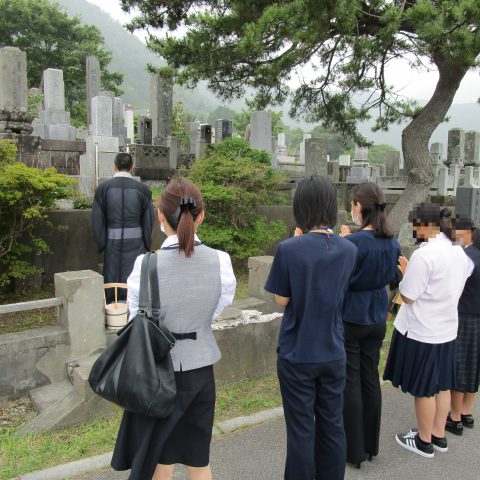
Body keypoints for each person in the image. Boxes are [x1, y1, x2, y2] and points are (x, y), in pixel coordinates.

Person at [111, 178, 236, 480]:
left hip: (157, 373)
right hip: (201, 370)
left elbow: (135, 320)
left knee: (159, 457)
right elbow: (217, 308)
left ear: (159, 214)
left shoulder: (145, 264)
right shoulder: (221, 261)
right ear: (201, 215)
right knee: (198, 458)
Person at [265, 176, 358, 480]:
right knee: (332, 424)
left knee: (302, 429)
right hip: (333, 349)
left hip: (297, 352)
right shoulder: (348, 249)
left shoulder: (290, 249)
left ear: (300, 207)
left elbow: (281, 299)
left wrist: (295, 242)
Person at [383, 203, 474, 458]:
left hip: (423, 330)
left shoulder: (425, 255)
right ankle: (438, 434)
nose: (413, 229)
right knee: (442, 384)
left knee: (423, 388)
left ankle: (423, 441)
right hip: (447, 328)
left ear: (424, 225)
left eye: (415, 225)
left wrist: (406, 272)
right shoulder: (458, 250)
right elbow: (462, 276)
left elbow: (409, 296)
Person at [340, 182, 401, 468]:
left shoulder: (353, 244)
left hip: (352, 316)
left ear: (359, 207)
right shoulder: (392, 241)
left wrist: (342, 242)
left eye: (353, 204)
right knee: (369, 380)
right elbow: (393, 278)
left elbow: (342, 279)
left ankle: (354, 449)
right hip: (377, 316)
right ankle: (370, 445)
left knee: (351, 382)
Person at [92, 152, 154, 302]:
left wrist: (102, 241)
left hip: (112, 240)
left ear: (115, 167)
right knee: (134, 272)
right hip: (136, 240)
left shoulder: (103, 188)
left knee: (112, 272)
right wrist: (147, 242)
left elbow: (97, 219)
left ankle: (113, 306)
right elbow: (149, 219)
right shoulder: (142, 190)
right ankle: (133, 306)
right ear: (132, 167)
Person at [448, 222, 480, 435]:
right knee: (475, 365)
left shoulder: (468, 257)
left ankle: (455, 416)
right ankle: (467, 411)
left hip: (465, 315)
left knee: (461, 364)